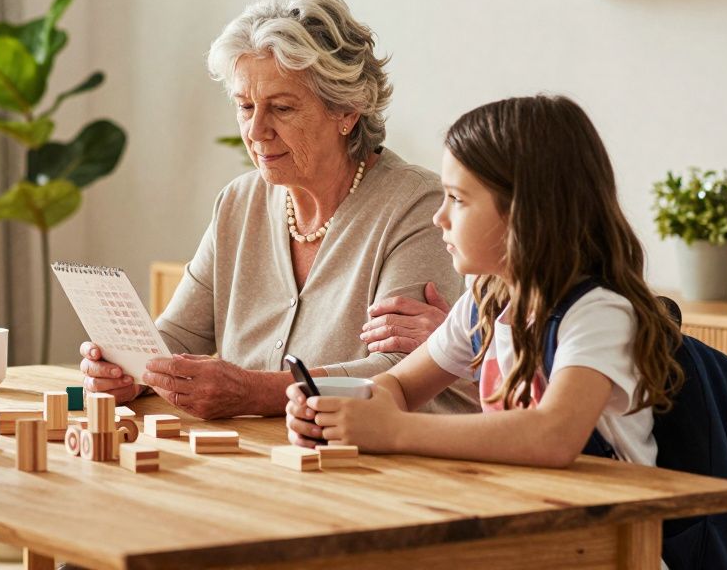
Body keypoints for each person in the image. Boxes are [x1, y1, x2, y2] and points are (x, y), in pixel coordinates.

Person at [80, 0, 476, 419]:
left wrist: (255, 391)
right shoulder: (238, 201)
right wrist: (128, 370)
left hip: (380, 461)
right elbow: (177, 335)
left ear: (347, 111)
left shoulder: (417, 206)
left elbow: (399, 371)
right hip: (262, 455)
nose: (256, 130)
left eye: (282, 108)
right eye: (245, 106)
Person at [285, 95, 684, 471]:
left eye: (457, 200)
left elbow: (554, 436)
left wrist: (393, 430)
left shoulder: (598, 314)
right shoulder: (485, 306)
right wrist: (343, 409)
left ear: (525, 214)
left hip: (612, 533)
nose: (439, 217)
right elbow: (401, 387)